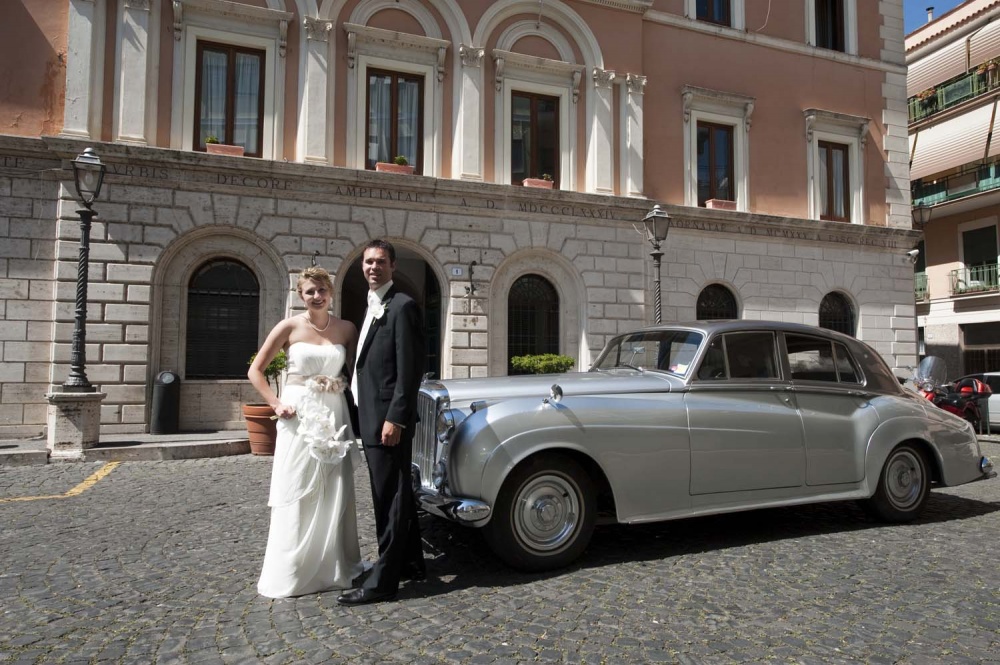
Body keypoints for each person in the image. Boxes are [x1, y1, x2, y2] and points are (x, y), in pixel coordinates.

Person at [250, 266, 364, 599]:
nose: (316, 296)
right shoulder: (289, 326)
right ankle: (295, 570)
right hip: (298, 412)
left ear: (331, 292)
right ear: (300, 295)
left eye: (321, 290)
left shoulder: (346, 328)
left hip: (335, 410)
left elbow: (359, 370)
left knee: (334, 485)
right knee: (298, 483)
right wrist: (275, 404)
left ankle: (335, 564)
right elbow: (255, 371)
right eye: (309, 292)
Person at [338, 239, 426, 606]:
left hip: (387, 421)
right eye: (368, 262)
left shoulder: (402, 306)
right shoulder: (373, 306)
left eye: (380, 262)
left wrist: (396, 418)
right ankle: (409, 564)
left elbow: (409, 369)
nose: (373, 267)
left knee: (387, 498)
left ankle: (383, 583)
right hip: (372, 416)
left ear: (392, 266)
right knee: (396, 492)